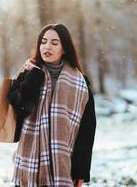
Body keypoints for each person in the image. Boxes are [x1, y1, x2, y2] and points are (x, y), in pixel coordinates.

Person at [8, 23, 96, 187]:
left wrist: (80, 172)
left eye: (54, 43)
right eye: (43, 42)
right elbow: (19, 108)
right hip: (29, 165)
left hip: (63, 166)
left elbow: (87, 131)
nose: (47, 47)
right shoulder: (29, 73)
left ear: (64, 48)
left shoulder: (81, 84)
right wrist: (34, 77)